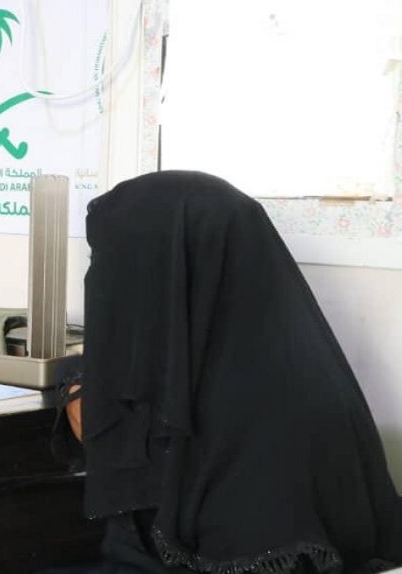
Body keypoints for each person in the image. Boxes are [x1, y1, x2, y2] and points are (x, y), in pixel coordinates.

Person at [68, 171, 402, 573]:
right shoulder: (277, 359)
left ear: (163, 272)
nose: (102, 280)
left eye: (111, 261)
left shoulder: (263, 424)